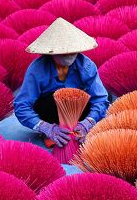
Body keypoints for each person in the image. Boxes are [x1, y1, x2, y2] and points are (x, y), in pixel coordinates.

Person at [14, 17, 109, 147]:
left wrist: (88, 123)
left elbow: (101, 100)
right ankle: (51, 134)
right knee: (51, 100)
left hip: (80, 116)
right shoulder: (36, 69)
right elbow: (22, 106)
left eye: (73, 50)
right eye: (63, 52)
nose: (69, 54)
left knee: (103, 98)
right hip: (48, 113)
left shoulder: (86, 66)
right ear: (51, 52)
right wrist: (46, 127)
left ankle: (79, 131)